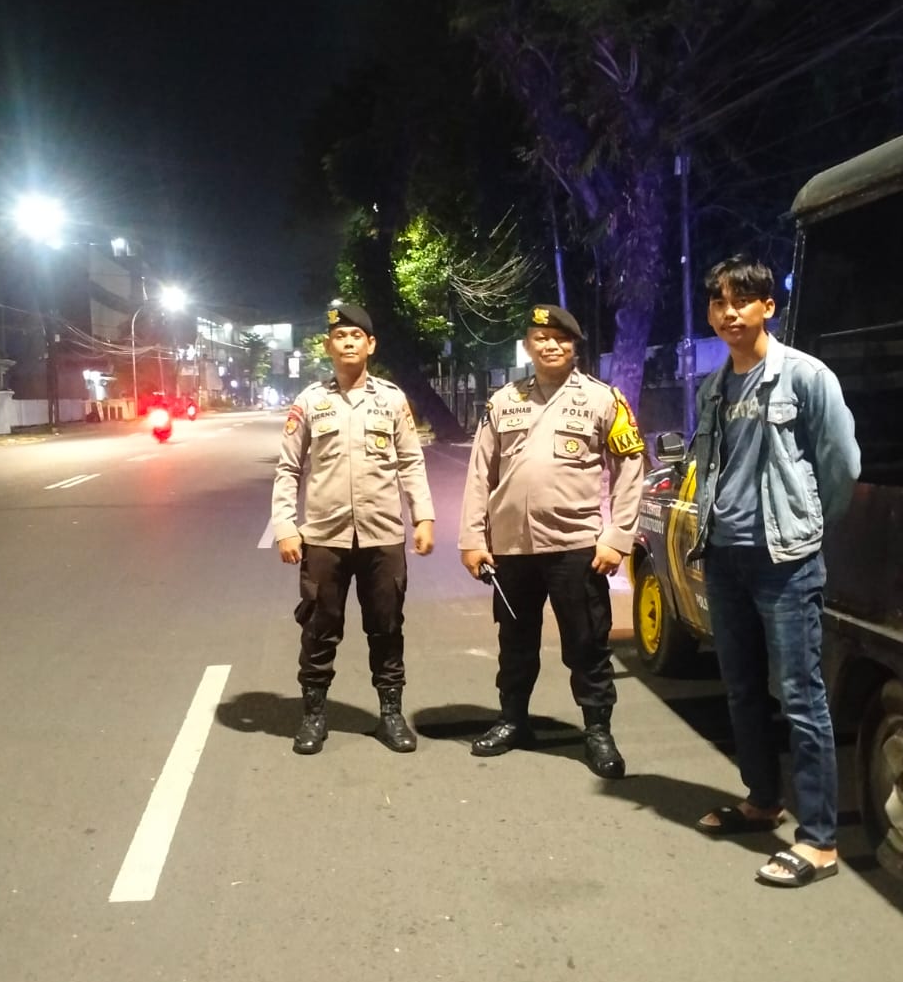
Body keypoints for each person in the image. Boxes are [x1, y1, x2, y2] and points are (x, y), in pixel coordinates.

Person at [688, 255, 861, 889]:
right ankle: (762, 801)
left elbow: (841, 463)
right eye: (718, 302)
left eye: (741, 300)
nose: (728, 312)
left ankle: (819, 841)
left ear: (768, 306)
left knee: (800, 697)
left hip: (784, 561)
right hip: (725, 556)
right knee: (740, 688)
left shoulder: (806, 377)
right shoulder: (713, 388)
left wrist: (807, 527)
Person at [458, 304, 647, 779]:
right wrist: (473, 538)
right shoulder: (504, 401)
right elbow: (480, 472)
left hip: (576, 546)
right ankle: (513, 720)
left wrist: (617, 536)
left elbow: (630, 468)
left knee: (587, 644)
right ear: (528, 345)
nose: (550, 345)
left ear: (574, 346)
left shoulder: (603, 400)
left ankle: (597, 731)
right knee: (514, 641)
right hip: (512, 549)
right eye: (540, 337)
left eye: (560, 338)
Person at [271, 302, 436, 755]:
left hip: (383, 535)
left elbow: (411, 461)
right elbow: (288, 468)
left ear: (370, 345)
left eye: (356, 336)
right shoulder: (310, 402)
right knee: (319, 629)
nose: (347, 342)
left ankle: (390, 714)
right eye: (339, 336)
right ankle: (313, 714)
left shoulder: (392, 400)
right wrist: (285, 524)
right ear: (329, 346)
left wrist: (423, 516)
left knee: (387, 627)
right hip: (324, 537)